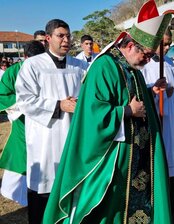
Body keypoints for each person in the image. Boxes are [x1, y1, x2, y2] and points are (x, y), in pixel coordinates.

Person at [42, 1, 174, 223]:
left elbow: (136, 101)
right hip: (112, 156)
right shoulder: (104, 66)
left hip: (135, 154)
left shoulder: (133, 68)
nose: (148, 60)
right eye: (147, 55)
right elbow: (93, 115)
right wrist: (126, 111)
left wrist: (151, 92)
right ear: (131, 46)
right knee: (109, 209)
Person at [15, 19, 88, 224]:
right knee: (44, 187)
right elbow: (24, 100)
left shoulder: (81, 65)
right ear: (48, 39)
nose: (66, 40)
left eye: (68, 36)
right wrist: (58, 105)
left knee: (73, 189)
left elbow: (93, 93)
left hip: (74, 135)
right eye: (60, 36)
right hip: (44, 139)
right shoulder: (32, 65)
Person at [141, 28, 174, 209]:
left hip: (172, 119)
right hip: (157, 119)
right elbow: (142, 92)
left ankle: (173, 200)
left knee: (173, 156)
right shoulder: (144, 63)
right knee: (160, 159)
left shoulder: (168, 62)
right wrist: (156, 92)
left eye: (169, 43)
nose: (168, 47)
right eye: (164, 43)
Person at [0, 40, 45, 207]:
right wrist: (23, 104)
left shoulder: (48, 69)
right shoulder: (13, 72)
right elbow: (3, 95)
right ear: (25, 57)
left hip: (45, 118)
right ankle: (14, 191)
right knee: (21, 154)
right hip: (23, 119)